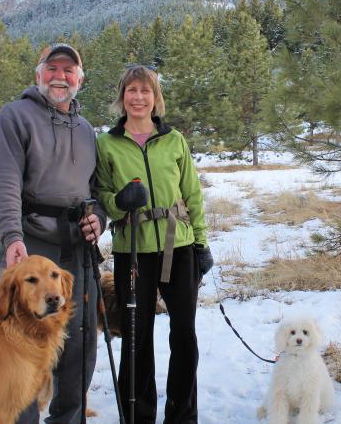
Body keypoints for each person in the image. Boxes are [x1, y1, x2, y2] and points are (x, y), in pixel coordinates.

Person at [0, 43, 104, 424]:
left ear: (80, 80)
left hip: (76, 250)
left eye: (69, 70)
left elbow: (96, 192)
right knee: (21, 346)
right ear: (37, 75)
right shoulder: (15, 117)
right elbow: (4, 182)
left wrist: (99, 218)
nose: (60, 75)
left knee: (79, 345)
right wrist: (11, 237)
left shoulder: (87, 130)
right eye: (52, 68)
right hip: (30, 245)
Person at [94, 65, 214, 424]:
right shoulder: (107, 143)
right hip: (132, 250)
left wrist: (202, 244)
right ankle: (137, 415)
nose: (138, 97)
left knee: (184, 336)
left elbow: (192, 194)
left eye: (145, 91)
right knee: (136, 337)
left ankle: (182, 415)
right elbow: (99, 193)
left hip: (178, 246)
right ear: (122, 97)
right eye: (132, 90)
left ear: (155, 97)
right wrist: (119, 201)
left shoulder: (174, 140)